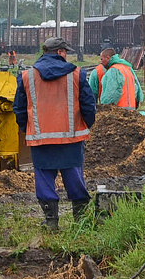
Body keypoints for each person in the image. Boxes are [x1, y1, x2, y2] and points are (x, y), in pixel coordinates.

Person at [13, 37, 96, 230]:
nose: (67, 55)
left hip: (41, 139)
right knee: (74, 176)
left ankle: (51, 221)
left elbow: (19, 108)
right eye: (65, 51)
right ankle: (81, 220)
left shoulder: (27, 76)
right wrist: (86, 125)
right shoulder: (77, 74)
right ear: (60, 52)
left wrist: (29, 129)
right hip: (71, 138)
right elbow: (88, 105)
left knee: (44, 178)